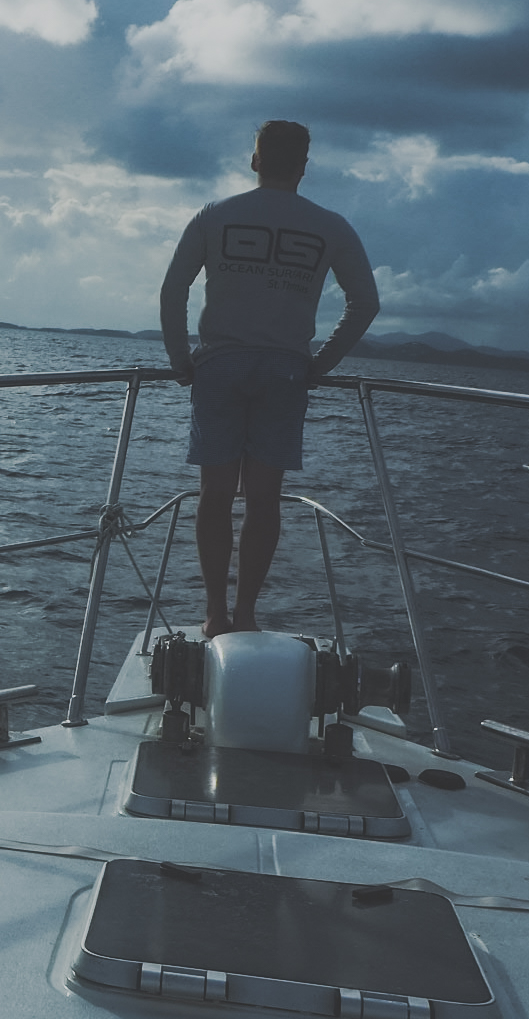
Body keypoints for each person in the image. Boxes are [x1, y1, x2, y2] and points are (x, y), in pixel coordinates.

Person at [160, 120, 378, 636]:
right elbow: (365, 303)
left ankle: (215, 614)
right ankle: (246, 614)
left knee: (215, 494)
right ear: (303, 166)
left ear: (255, 160)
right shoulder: (330, 226)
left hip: (219, 365)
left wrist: (179, 358)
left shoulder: (215, 216)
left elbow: (174, 289)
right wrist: (320, 364)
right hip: (285, 370)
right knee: (263, 499)